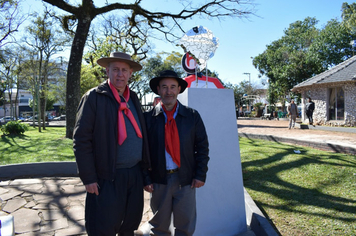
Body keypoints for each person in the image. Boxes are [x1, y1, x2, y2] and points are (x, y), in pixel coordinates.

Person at [73, 52, 150, 236]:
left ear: (130, 73)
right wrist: (89, 177)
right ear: (107, 71)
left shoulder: (134, 98)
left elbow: (143, 136)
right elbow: (81, 140)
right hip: (106, 176)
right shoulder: (93, 98)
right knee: (103, 226)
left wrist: (146, 174)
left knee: (129, 224)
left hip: (133, 174)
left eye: (124, 70)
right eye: (115, 69)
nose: (120, 74)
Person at [142, 70, 209, 236]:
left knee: (185, 227)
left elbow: (202, 147)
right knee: (159, 227)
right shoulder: (148, 118)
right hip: (159, 181)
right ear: (158, 89)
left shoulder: (192, 116)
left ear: (179, 89)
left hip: (185, 180)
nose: (168, 91)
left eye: (172, 87)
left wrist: (200, 174)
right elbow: (142, 151)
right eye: (164, 87)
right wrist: (146, 178)